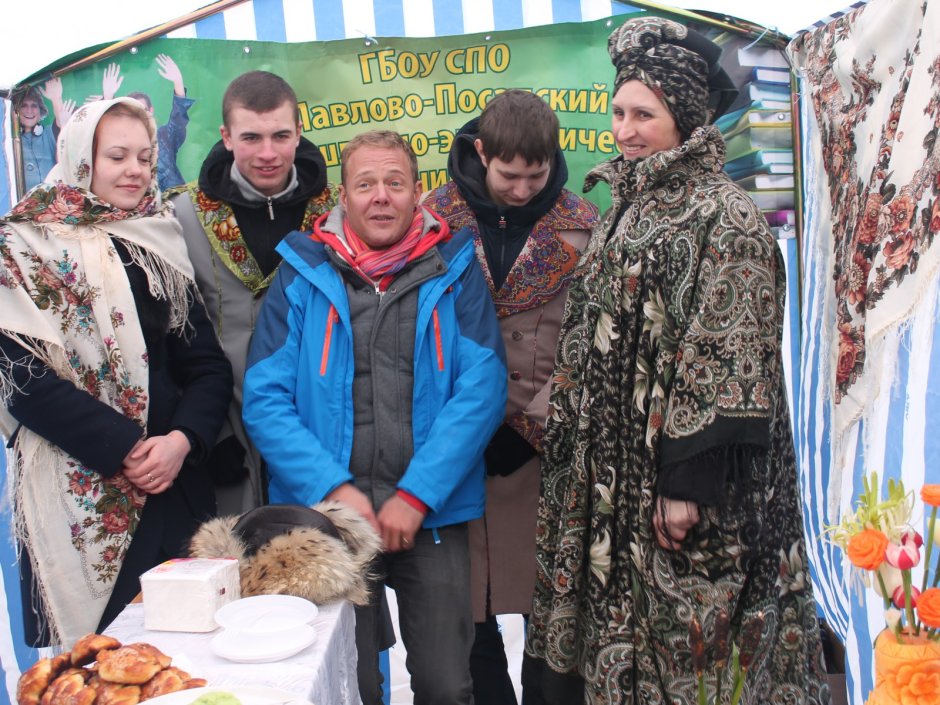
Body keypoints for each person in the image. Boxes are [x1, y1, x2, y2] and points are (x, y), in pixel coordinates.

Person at [522, 17, 830, 705]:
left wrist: (686, 483)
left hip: (684, 486)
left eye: (645, 114)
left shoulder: (724, 215)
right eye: (619, 111)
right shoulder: (629, 203)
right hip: (612, 480)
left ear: (683, 117)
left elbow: (730, 350)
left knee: (691, 653)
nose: (626, 129)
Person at [242, 130, 507, 704]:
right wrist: (331, 489)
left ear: (418, 192)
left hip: (431, 514)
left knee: (445, 683)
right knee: (348, 683)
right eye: (365, 184)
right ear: (343, 196)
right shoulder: (301, 273)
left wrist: (418, 494)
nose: (380, 196)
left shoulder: (454, 269)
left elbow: (481, 390)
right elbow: (264, 397)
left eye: (394, 182)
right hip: (326, 525)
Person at [0, 97, 233, 648]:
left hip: (172, 490)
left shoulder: (156, 238)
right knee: (104, 669)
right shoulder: (19, 246)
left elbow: (206, 367)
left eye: (145, 158)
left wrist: (181, 441)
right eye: (117, 156)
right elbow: (20, 379)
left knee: (188, 663)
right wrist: (126, 447)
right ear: (83, 158)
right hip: (79, 496)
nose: (135, 171)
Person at [425, 89, 598, 705]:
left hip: (544, 452)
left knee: (547, 609)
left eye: (536, 175)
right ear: (480, 152)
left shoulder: (585, 227)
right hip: (455, 449)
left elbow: (594, 345)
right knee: (466, 609)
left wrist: (530, 429)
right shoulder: (431, 220)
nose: (523, 190)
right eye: (508, 176)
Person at [172, 70, 335, 515]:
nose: (268, 153)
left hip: (321, 441)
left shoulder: (338, 214)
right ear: (226, 137)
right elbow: (171, 339)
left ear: (300, 133)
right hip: (224, 439)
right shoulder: (181, 217)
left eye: (281, 135)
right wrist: (208, 435)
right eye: (251, 138)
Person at [110, 55, 197, 190]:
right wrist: (108, 97)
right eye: (133, 113)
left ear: (151, 110)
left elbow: (178, 121)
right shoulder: (122, 144)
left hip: (175, 201)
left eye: (143, 110)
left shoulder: (164, 135)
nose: (139, 116)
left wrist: (178, 82)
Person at [13, 81, 74, 193]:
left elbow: (61, 121)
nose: (29, 110)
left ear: (40, 110)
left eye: (34, 106)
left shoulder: (47, 133)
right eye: (24, 106)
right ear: (16, 110)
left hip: (52, 201)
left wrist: (56, 98)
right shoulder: (10, 141)